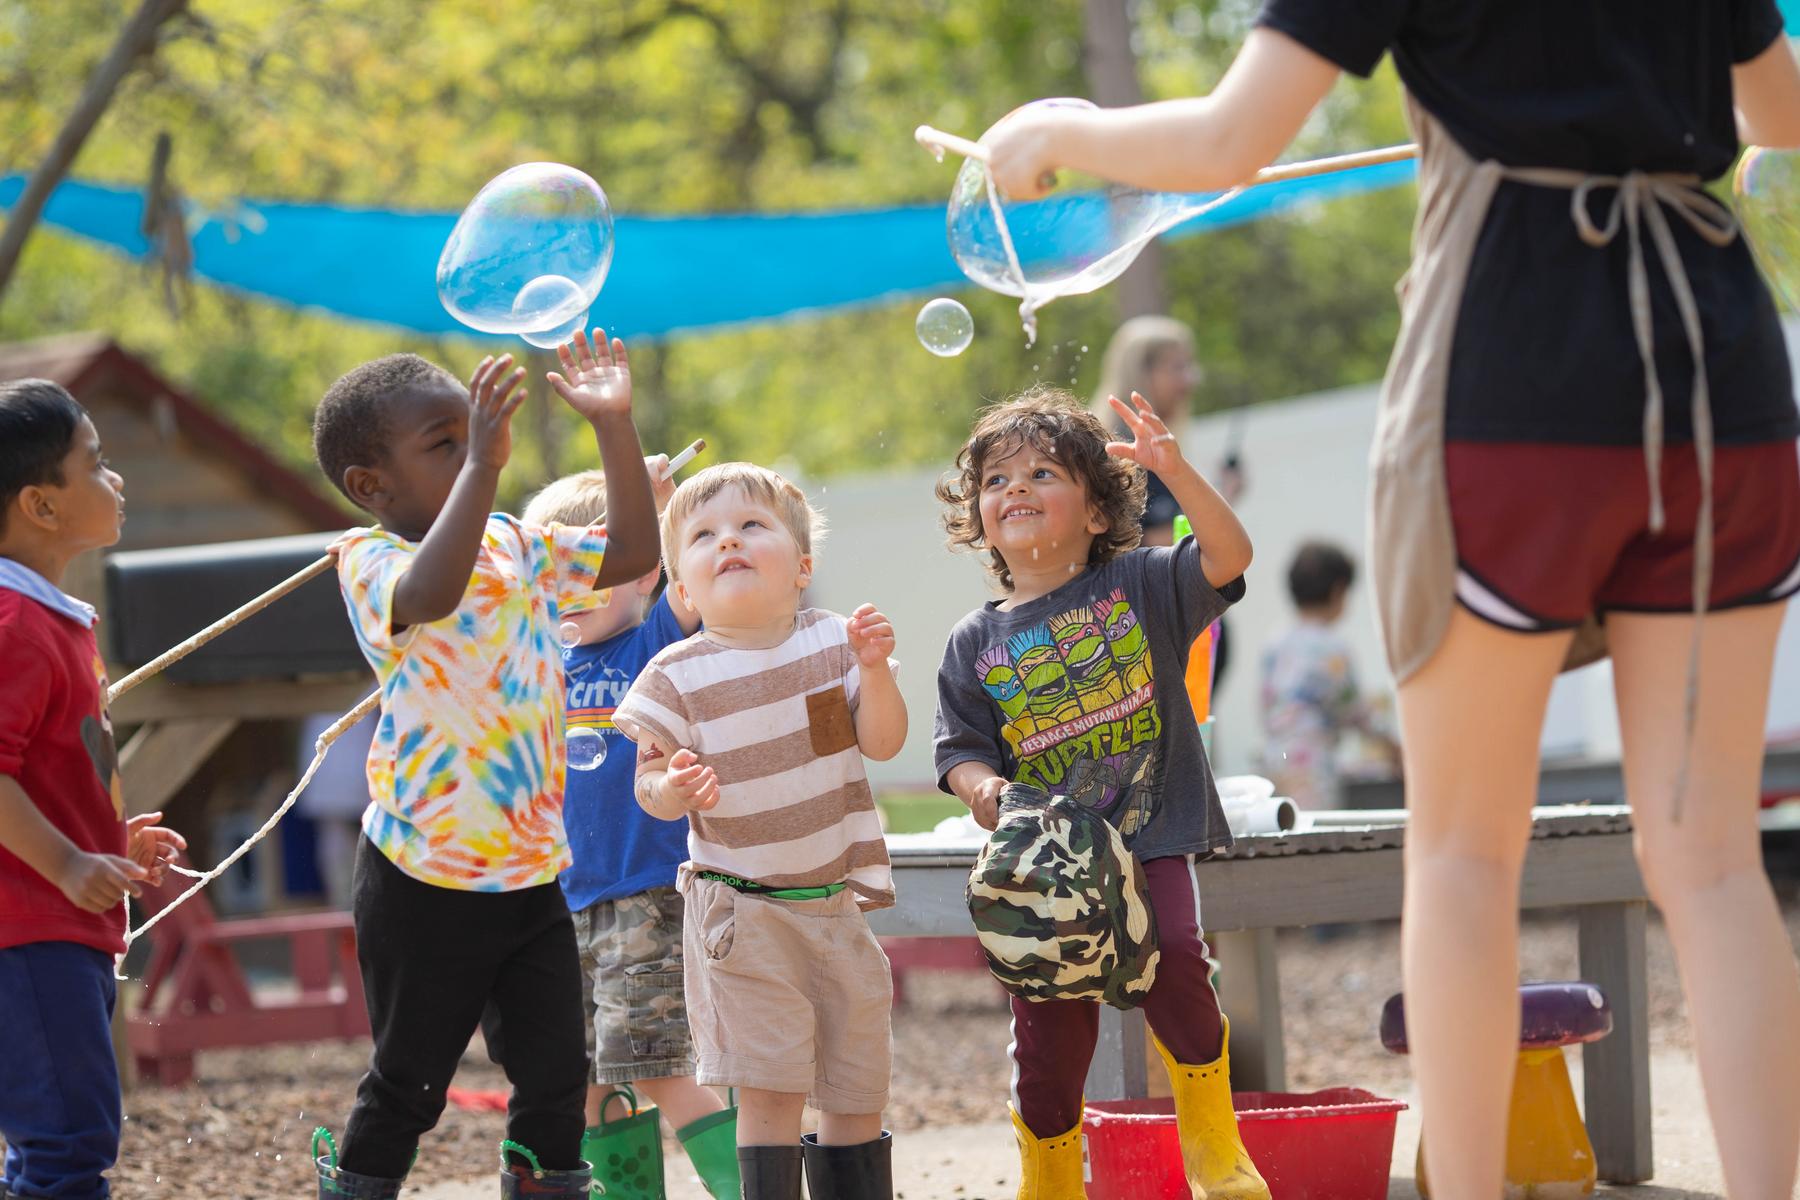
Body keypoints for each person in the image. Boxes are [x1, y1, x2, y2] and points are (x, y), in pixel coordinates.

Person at [976, 8, 1800, 1197]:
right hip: (1719, 354)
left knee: (1466, 853)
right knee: (1716, 859)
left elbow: (1229, 140)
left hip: (1517, 358)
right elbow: (1779, 117)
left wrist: (1065, 127)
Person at [308, 330, 659, 1200]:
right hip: (421, 874)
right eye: (445, 444)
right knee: (409, 1085)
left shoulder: (520, 543)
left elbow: (630, 557)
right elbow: (433, 593)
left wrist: (614, 425)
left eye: (473, 436)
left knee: (554, 1078)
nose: (473, 454)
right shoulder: (368, 560)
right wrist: (486, 471)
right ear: (369, 486)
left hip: (531, 875)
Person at [932, 386, 1266, 1199]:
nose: (1015, 489)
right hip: (1048, 868)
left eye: (1042, 472)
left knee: (1181, 963)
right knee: (1048, 1040)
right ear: (978, 516)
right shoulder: (974, 642)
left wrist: (1178, 474)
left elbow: (1229, 558)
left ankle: (1215, 1147)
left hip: (1153, 834)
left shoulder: (1143, 583)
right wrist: (983, 793)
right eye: (997, 480)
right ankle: (1049, 1178)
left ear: (1093, 510)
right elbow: (961, 752)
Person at [612, 462, 905, 1200]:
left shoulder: (833, 643)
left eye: (751, 526)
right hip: (741, 911)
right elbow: (646, 790)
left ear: (801, 567)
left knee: (854, 1086)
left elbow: (883, 742)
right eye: (705, 536)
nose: (729, 542)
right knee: (771, 1090)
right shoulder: (675, 675)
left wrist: (875, 672)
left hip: (835, 906)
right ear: (682, 590)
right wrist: (673, 788)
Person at [513, 463, 739, 1198]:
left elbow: (682, 565)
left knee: (657, 1066)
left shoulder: (655, 646)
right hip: (559, 905)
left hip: (644, 897)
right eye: (559, 572)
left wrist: (654, 504)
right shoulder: (539, 663)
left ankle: (755, 1187)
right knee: (583, 1079)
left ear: (645, 575)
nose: (571, 590)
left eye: (594, 569)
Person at [0, 379, 184, 1200]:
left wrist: (108, 844)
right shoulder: (14, 625)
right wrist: (70, 861)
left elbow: (40, 773)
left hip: (49, 927)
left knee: (57, 1142)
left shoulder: (48, 617)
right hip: (27, 933)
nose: (116, 480)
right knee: (67, 1148)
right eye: (97, 464)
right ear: (41, 505)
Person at [1259, 541, 1396, 810]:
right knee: (1314, 836)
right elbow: (1353, 709)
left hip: (1275, 756)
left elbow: (1266, 704)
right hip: (1311, 764)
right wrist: (1391, 745)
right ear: (1338, 591)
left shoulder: (1275, 643)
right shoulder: (1333, 648)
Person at [296, 708, 375, 910]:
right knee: (341, 851)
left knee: (339, 849)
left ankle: (345, 908)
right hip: (353, 774)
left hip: (342, 774)